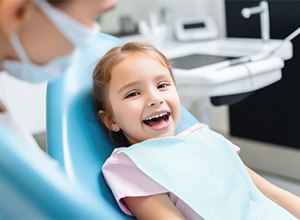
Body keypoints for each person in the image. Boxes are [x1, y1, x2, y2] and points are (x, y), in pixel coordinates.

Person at [93, 42, 300, 219]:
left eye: (162, 85)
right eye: (133, 93)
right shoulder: (131, 165)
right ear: (111, 119)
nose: (155, 99)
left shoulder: (205, 137)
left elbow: (272, 194)